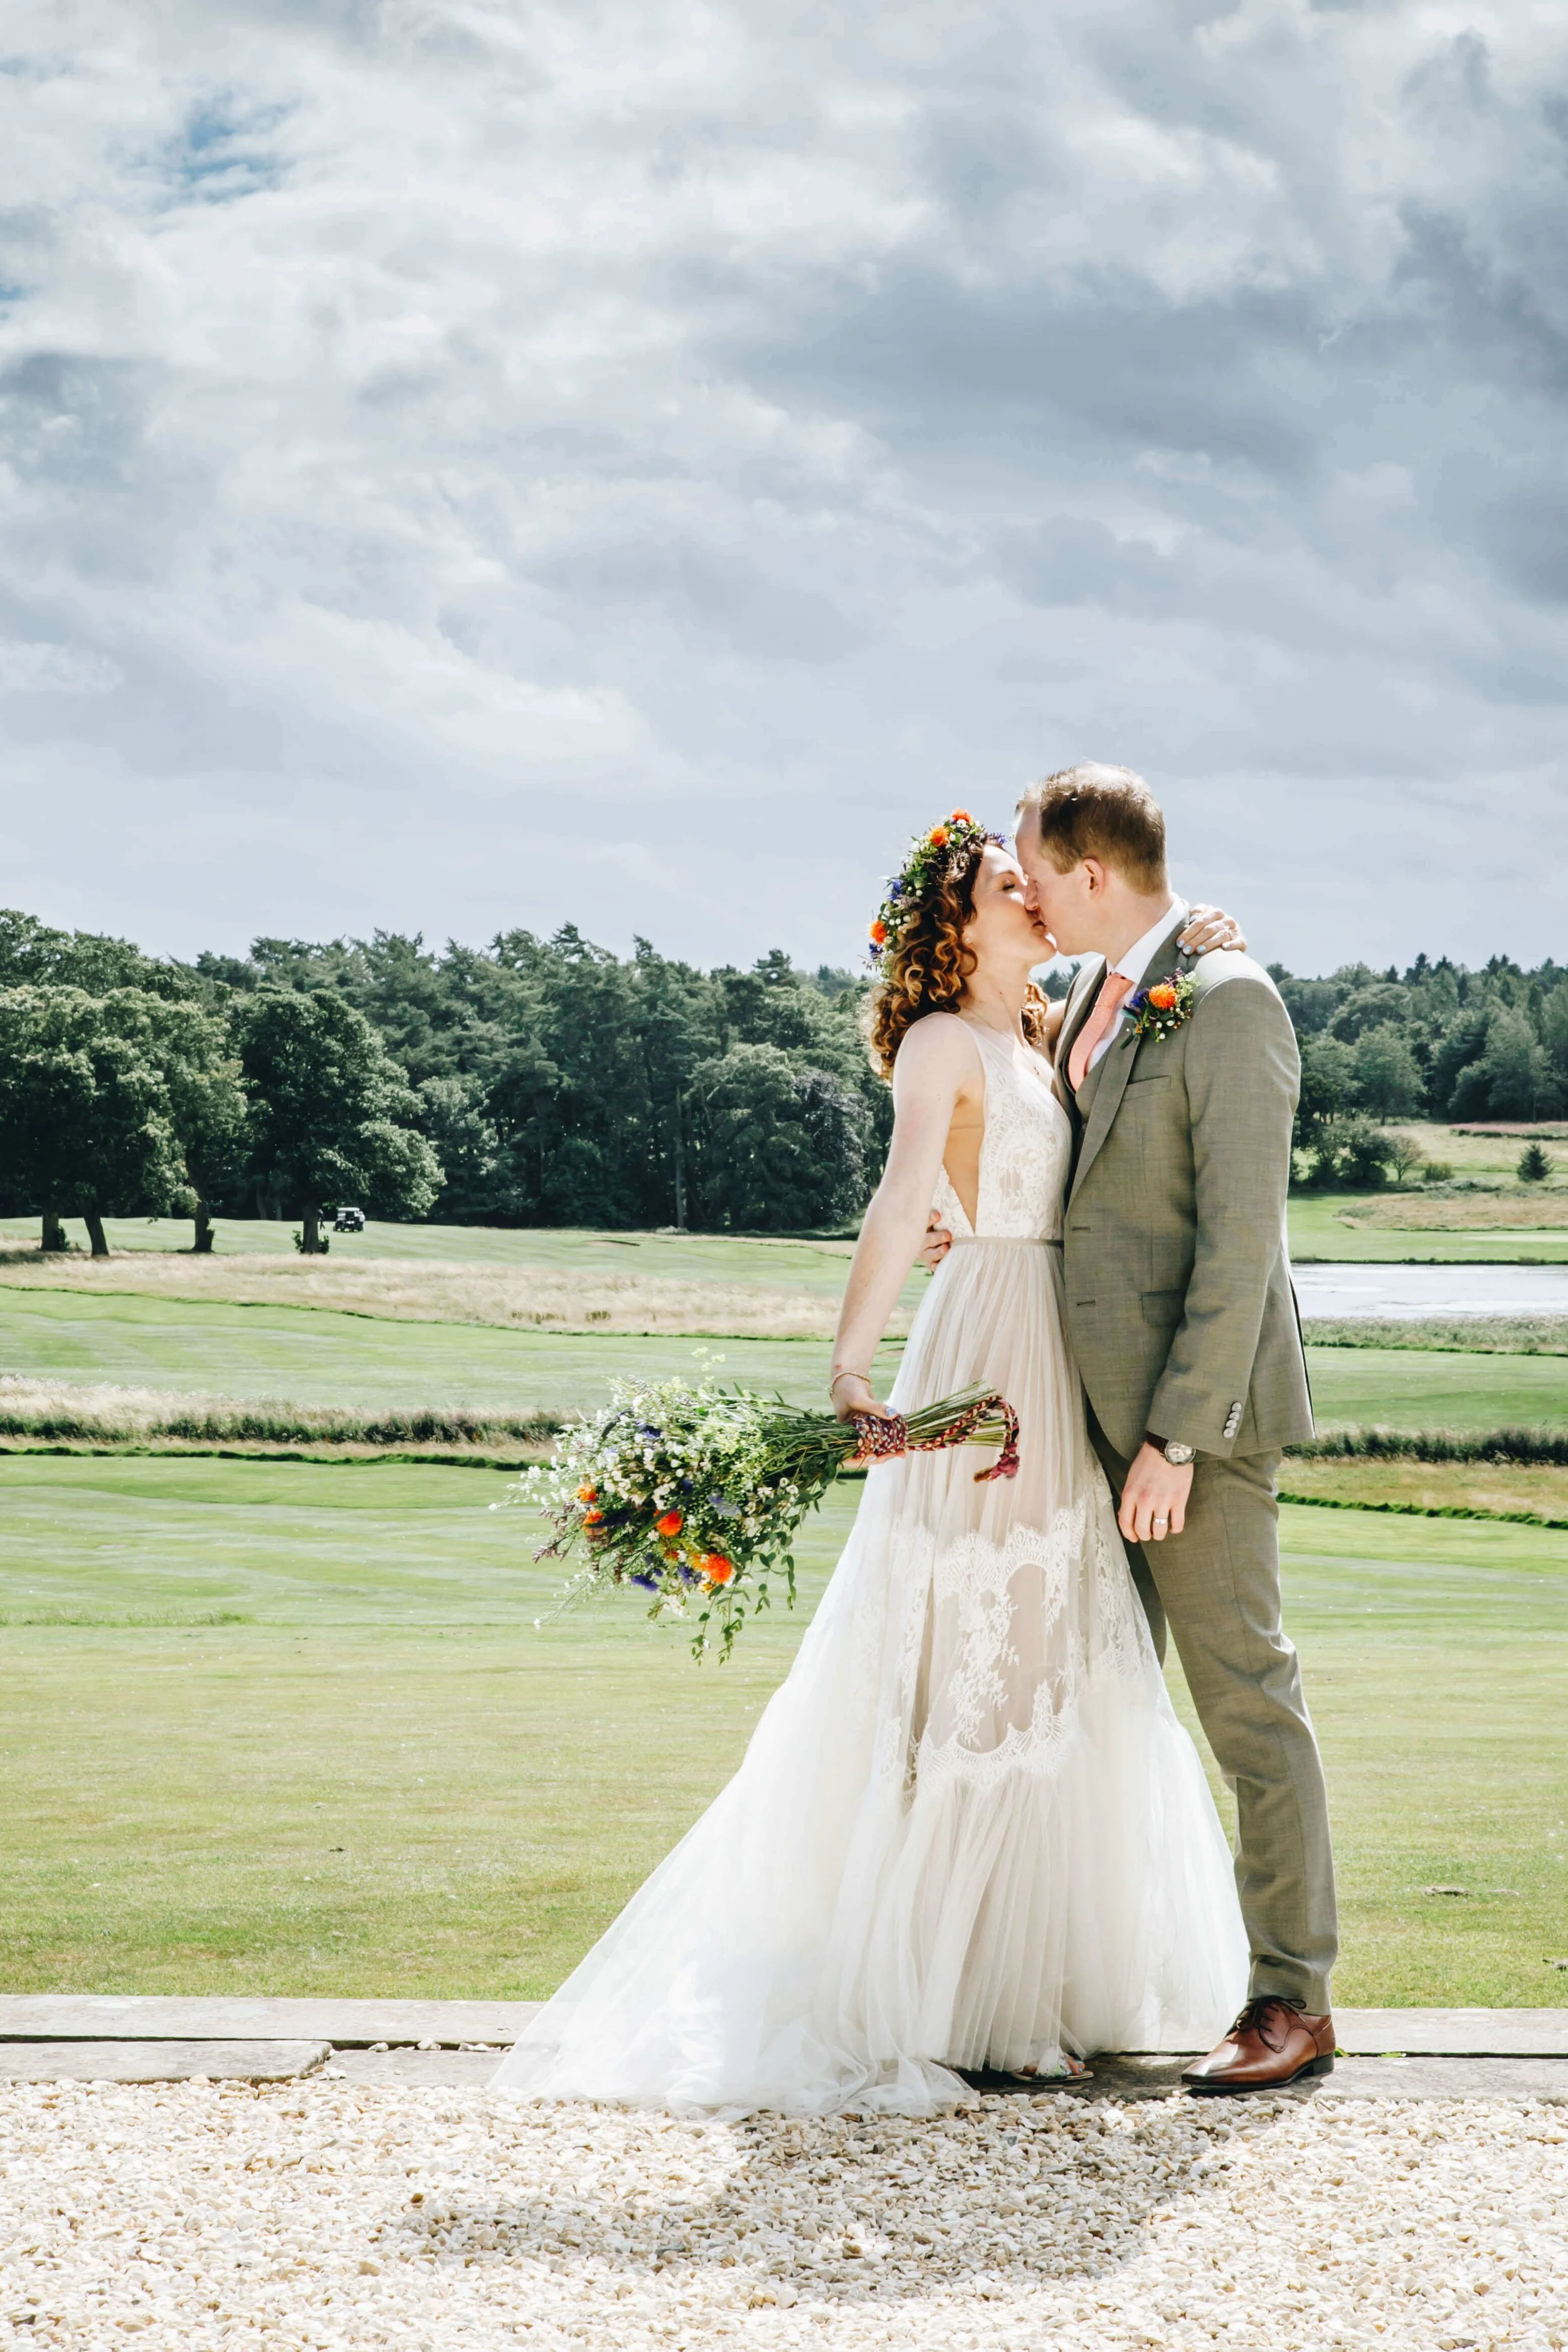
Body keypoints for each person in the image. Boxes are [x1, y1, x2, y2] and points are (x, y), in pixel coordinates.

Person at [492, 803, 1256, 2118]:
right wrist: (850, 1369)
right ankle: (965, 2000)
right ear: (954, 923)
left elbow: (1139, 979)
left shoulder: (1048, 1030)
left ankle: (1049, 1983)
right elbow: (904, 1197)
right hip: (980, 1358)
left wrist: (1199, 943)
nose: (1029, 894)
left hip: (1057, 1353)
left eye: (1030, 878)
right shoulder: (939, 1043)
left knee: (1053, 1650)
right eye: (1000, 883)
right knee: (972, 1653)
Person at [923, 763, 1337, 2095]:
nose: (1026, 896)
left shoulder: (1228, 1002)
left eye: (1034, 873)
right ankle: (1062, 1984)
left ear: (1088, 874)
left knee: (1243, 1702)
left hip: (1183, 1431)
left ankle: (1291, 2000)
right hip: (1066, 1417)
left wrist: (1173, 1439)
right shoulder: (1081, 1002)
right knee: (1083, 1705)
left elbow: (1238, 1245)